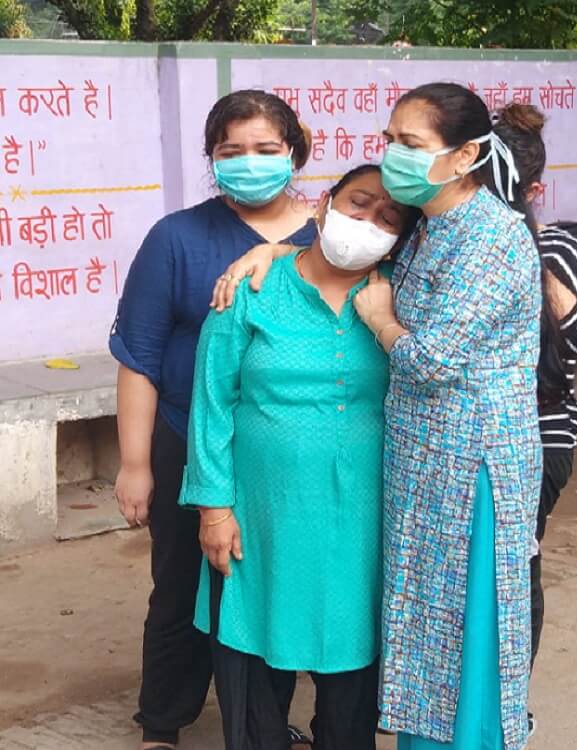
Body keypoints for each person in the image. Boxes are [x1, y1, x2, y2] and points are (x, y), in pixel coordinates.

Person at [213, 83, 543, 750]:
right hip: (420, 471)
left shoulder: (492, 236)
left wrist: (384, 323)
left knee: (466, 646)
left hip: (469, 470)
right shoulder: (427, 230)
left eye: (410, 145)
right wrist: (275, 250)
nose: (391, 154)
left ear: (464, 155)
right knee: (427, 649)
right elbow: (346, 253)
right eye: (389, 139)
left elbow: (430, 360)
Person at [179, 164, 419, 750]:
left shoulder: (399, 295)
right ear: (323, 206)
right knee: (254, 664)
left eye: (389, 217)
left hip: (364, 523)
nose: (368, 222)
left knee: (351, 676)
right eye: (358, 204)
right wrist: (214, 509)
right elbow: (212, 403)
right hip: (262, 519)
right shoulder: (251, 289)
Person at [109, 89, 315, 750]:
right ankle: (162, 724)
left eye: (264, 149)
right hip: (185, 438)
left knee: (271, 583)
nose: (248, 162)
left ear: (292, 153)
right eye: (232, 152)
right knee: (179, 584)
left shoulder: (329, 235)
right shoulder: (177, 238)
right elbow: (139, 356)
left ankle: (263, 723)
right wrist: (136, 465)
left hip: (290, 451)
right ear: (212, 159)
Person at [492, 103, 577, 730]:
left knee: (511, 573)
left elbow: (576, 334)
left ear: (534, 191)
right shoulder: (435, 234)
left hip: (534, 441)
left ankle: (507, 710)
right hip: (448, 439)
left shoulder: (560, 247)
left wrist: (520, 239)